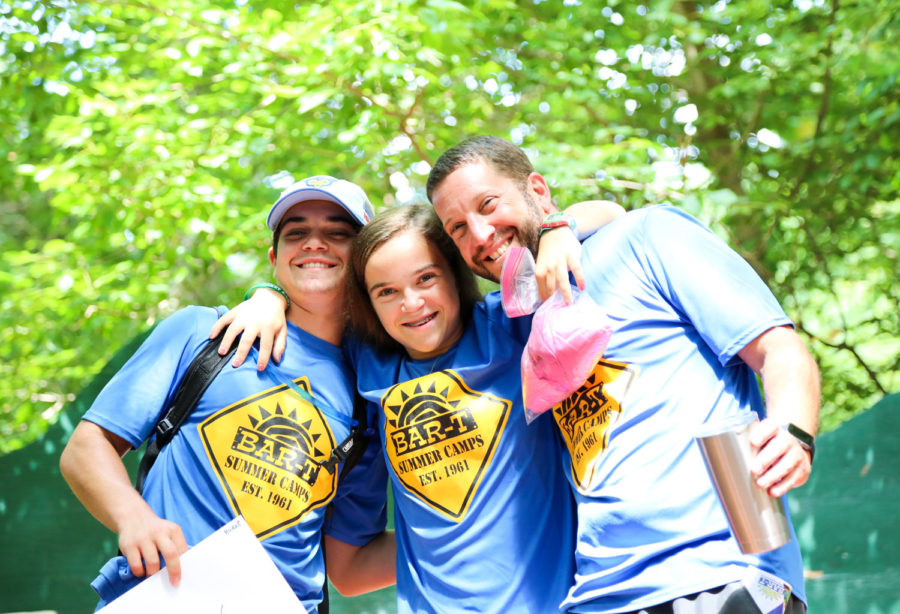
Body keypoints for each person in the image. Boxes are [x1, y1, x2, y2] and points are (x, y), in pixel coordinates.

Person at [424, 135, 821, 613]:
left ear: (537, 189)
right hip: (597, 597)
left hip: (725, 574)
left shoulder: (647, 237)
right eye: (458, 229)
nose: (480, 234)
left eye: (488, 205)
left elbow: (780, 349)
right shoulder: (513, 319)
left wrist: (793, 431)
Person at [212, 199, 626, 613]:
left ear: (455, 272)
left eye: (426, 278)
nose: (410, 303)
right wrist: (268, 296)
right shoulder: (368, 364)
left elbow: (610, 213)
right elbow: (350, 572)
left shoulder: (511, 325)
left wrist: (556, 230)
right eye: (386, 291)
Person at [59, 176, 395, 612]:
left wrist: (477, 528)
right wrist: (134, 519)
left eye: (338, 233)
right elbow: (87, 447)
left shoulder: (367, 396)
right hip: (164, 598)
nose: (315, 243)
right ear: (275, 259)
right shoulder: (202, 332)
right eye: (296, 233)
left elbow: (349, 570)